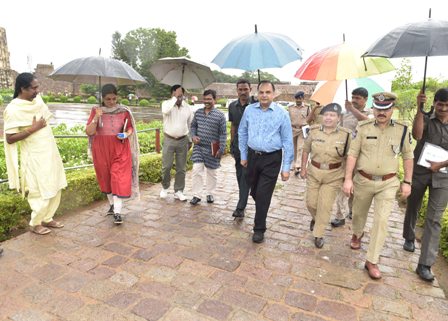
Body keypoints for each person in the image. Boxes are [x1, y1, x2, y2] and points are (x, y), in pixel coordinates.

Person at [342, 92, 414, 280]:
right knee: (358, 213)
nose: (382, 112)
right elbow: (352, 154)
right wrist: (348, 179)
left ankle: (371, 260)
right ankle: (357, 234)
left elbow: (408, 156)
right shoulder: (363, 127)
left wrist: (407, 181)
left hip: (388, 183)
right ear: (373, 108)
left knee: (381, 221)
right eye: (378, 109)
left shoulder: (402, 129)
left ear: (392, 109)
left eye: (386, 109)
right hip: (363, 180)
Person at [3, 73, 67, 235]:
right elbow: (10, 139)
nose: (37, 91)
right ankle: (35, 222)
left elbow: (45, 118)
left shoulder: (37, 101)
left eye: (37, 87)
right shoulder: (13, 109)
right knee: (39, 189)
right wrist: (33, 129)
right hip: (34, 156)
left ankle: (48, 217)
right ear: (22, 88)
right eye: (34, 88)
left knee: (55, 184)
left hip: (49, 152)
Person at [239, 80, 294, 243]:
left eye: (268, 92)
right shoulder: (249, 110)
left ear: (274, 94)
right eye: (261, 92)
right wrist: (243, 155)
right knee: (255, 191)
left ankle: (259, 228)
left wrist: (286, 167)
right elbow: (242, 132)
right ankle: (262, 203)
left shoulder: (282, 113)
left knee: (263, 194)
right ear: (257, 94)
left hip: (272, 159)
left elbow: (287, 141)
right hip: (252, 157)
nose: (264, 95)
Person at [402, 89, 448, 282]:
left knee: (434, 219)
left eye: (447, 106)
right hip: (421, 172)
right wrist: (420, 108)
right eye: (440, 104)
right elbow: (417, 134)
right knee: (413, 205)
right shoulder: (427, 118)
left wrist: (441, 165)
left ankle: (425, 263)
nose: (443, 109)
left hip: (444, 176)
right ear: (435, 103)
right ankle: (409, 237)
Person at [86, 84, 139, 225]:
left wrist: (126, 134)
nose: (111, 102)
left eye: (114, 98)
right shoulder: (96, 111)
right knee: (105, 178)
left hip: (120, 148)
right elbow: (89, 131)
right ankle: (112, 205)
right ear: (102, 98)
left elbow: (130, 128)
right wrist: (96, 118)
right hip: (101, 149)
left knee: (118, 177)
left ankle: (117, 212)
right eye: (108, 99)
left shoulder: (123, 111)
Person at [300, 103, 351, 248]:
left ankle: (319, 233)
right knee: (311, 203)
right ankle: (316, 219)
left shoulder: (346, 135)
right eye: (326, 115)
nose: (328, 118)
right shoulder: (314, 131)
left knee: (325, 205)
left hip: (334, 175)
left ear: (339, 118)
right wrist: (303, 168)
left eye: (332, 115)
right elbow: (305, 150)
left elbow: (349, 157)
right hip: (314, 172)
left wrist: (347, 178)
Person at [332, 87, 370, 227]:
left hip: (362, 157)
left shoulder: (371, 113)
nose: (354, 100)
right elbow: (340, 131)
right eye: (353, 97)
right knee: (342, 185)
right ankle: (340, 215)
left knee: (357, 187)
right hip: (346, 156)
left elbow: (368, 123)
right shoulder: (345, 114)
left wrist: (352, 109)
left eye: (358, 98)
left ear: (365, 99)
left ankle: (353, 211)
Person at [190, 89, 227, 205]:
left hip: (213, 147)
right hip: (199, 147)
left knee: (212, 172)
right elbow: (193, 126)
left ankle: (210, 193)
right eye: (205, 99)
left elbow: (223, 133)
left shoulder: (220, 115)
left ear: (214, 100)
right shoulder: (198, 113)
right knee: (196, 169)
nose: (206, 101)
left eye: (209, 99)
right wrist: (193, 136)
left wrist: (221, 148)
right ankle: (197, 195)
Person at [160, 85, 193, 201]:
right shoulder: (166, 104)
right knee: (167, 166)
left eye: (180, 95)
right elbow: (165, 111)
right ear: (172, 95)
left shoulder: (188, 108)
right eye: (176, 94)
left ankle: (179, 190)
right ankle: (165, 187)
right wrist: (175, 97)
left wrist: (190, 140)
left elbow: (190, 124)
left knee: (181, 168)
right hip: (169, 139)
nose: (179, 97)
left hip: (182, 140)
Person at [228, 79, 254, 218]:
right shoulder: (232, 106)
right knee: (240, 175)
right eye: (240, 89)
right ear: (236, 90)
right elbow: (233, 126)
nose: (243, 92)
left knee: (248, 176)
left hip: (253, 146)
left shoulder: (256, 105)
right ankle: (241, 203)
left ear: (250, 89)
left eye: (245, 89)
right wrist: (232, 144)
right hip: (238, 146)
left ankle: (241, 204)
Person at [289, 91, 310, 175]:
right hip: (293, 129)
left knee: (300, 147)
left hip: (302, 130)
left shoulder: (307, 108)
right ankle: (294, 164)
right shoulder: (290, 107)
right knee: (294, 148)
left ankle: (298, 166)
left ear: (303, 98)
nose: (298, 100)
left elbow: (310, 118)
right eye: (297, 98)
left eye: (300, 98)